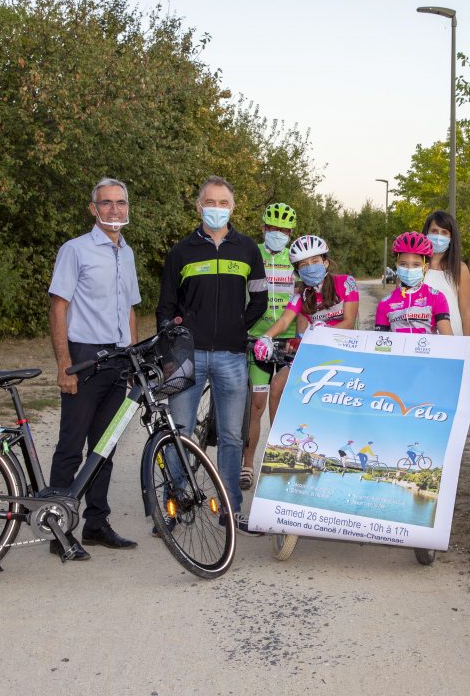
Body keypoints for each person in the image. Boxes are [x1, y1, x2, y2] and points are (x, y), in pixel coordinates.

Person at [157, 175, 266, 535]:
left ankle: (231, 509)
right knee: (181, 432)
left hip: (232, 357)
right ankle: (176, 505)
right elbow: (165, 308)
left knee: (233, 437)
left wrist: (239, 326)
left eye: (223, 203)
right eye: (210, 202)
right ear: (198, 205)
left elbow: (260, 299)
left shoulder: (248, 249)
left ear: (233, 208)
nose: (216, 209)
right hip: (187, 357)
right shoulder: (180, 252)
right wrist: (173, 343)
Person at [47, 177, 141, 559]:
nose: (114, 209)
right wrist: (64, 364)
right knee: (72, 445)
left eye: (120, 203)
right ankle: (57, 528)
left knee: (105, 447)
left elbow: (131, 309)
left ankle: (96, 524)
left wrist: (134, 358)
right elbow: (58, 307)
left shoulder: (127, 253)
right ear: (93, 209)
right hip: (84, 357)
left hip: (118, 360)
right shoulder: (75, 250)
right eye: (106, 203)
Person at [243, 202, 300, 491]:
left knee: (281, 405)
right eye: (273, 228)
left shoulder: (296, 259)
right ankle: (247, 463)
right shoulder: (253, 254)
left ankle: (276, 463)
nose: (278, 233)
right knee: (256, 405)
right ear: (264, 228)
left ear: (291, 233)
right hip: (258, 339)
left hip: (288, 340)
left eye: (284, 230)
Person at [375, 232, 452, 334]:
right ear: (397, 265)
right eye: (403, 264)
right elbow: (378, 343)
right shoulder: (385, 303)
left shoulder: (437, 297)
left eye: (416, 265)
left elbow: (448, 338)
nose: (409, 269)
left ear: (425, 267)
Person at [422, 210, 470, 335]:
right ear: (426, 232)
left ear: (451, 238)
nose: (438, 236)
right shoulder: (413, 268)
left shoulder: (460, 269)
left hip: (453, 339)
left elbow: (466, 313)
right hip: (420, 339)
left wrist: (469, 346)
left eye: (444, 232)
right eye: (434, 231)